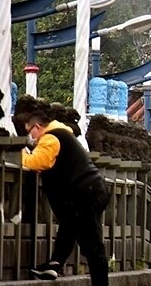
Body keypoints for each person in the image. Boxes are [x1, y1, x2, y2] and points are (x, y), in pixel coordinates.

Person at [22, 111, 110, 285]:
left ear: (37, 127)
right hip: (90, 191)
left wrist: (20, 154)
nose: (30, 137)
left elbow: (39, 161)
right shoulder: (62, 134)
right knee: (68, 226)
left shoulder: (51, 137)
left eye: (29, 131)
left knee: (92, 245)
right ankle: (54, 265)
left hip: (86, 194)